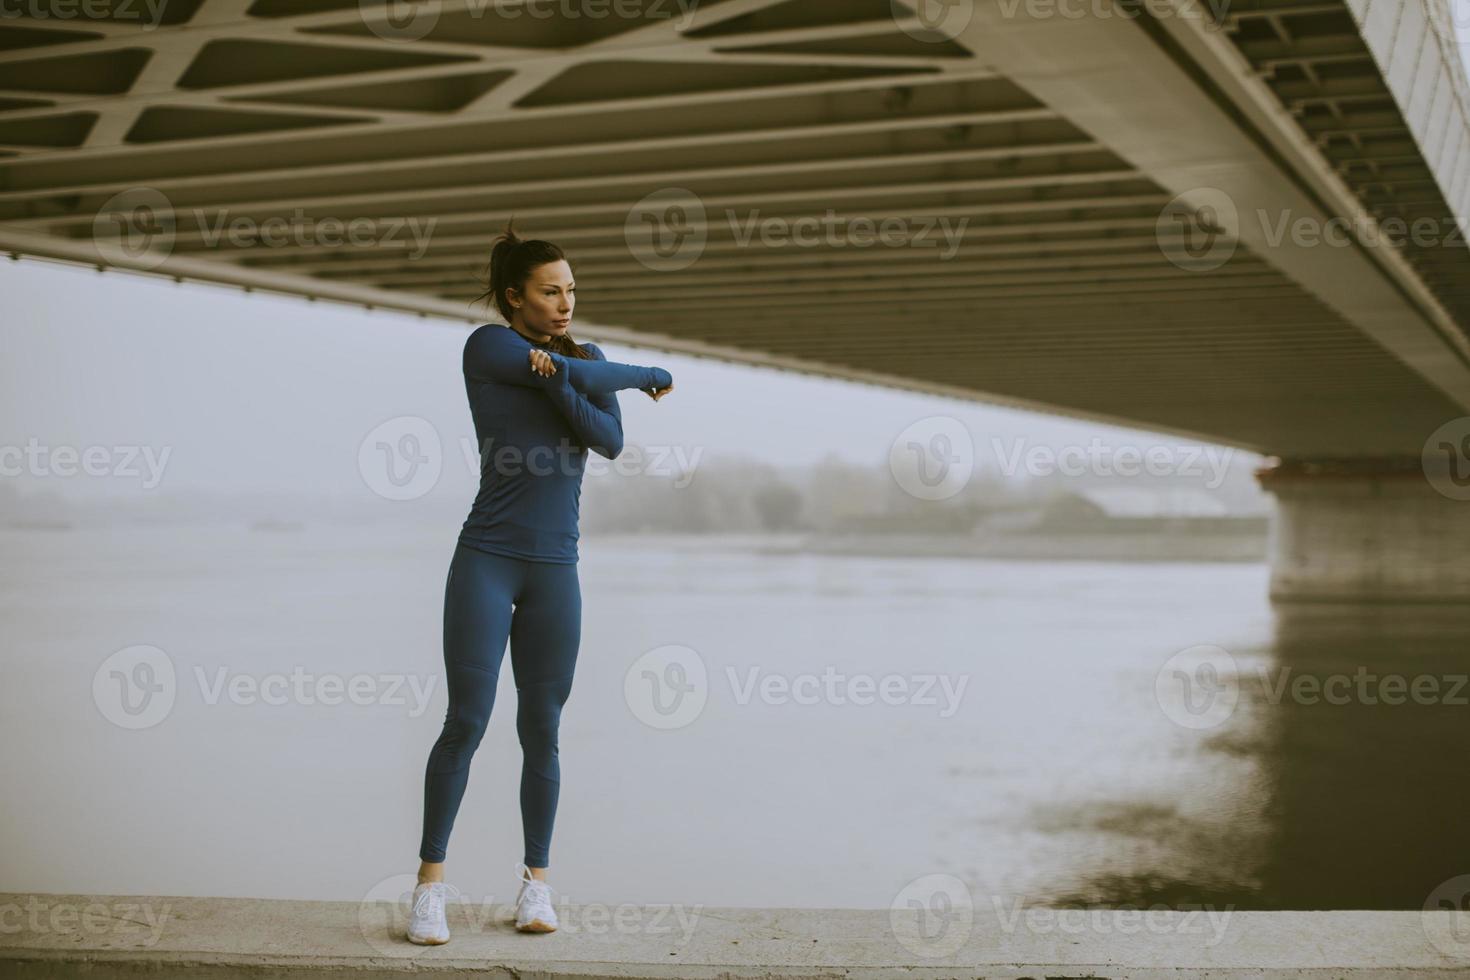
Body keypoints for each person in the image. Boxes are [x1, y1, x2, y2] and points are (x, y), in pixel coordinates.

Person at [407, 220, 674, 944]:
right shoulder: (488, 348)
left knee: (543, 730)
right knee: (466, 721)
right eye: (550, 292)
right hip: (487, 558)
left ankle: (536, 887)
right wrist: (644, 375)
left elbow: (611, 441)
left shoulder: (582, 359)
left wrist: (566, 383)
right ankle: (429, 890)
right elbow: (594, 390)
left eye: (572, 292)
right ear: (512, 297)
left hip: (557, 569)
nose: (565, 304)